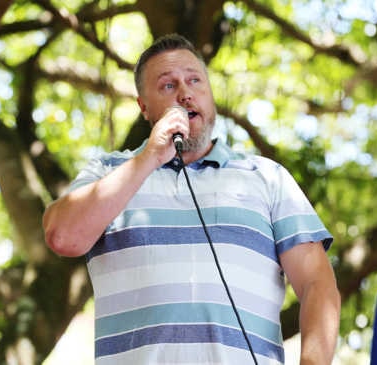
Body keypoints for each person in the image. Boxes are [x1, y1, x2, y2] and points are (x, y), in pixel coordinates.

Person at [43, 34, 340, 365]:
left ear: (209, 93)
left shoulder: (266, 176)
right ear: (144, 107)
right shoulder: (108, 172)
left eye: (194, 80)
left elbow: (317, 284)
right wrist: (148, 159)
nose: (185, 92)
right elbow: (62, 236)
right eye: (168, 86)